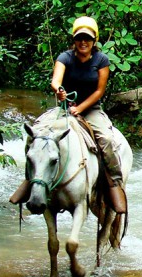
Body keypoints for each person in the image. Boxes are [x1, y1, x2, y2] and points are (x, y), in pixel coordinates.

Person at [9, 16, 126, 213]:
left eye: (87, 38)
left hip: (90, 110)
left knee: (106, 139)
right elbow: (56, 80)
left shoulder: (101, 60)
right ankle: (30, 180)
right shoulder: (65, 57)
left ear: (94, 41)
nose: (83, 42)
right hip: (64, 108)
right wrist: (59, 91)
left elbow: (99, 90)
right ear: (74, 39)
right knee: (35, 134)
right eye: (79, 38)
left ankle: (114, 184)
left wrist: (80, 109)